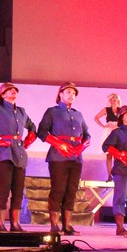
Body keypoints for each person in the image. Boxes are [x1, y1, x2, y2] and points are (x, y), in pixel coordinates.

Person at [0, 82, 37, 232]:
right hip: (4, 153)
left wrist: (28, 141)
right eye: (9, 90)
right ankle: (1, 224)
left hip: (19, 153)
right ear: (2, 95)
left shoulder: (22, 111)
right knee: (3, 190)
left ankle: (15, 224)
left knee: (18, 190)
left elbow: (32, 127)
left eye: (15, 90)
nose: (13, 91)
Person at [37, 82, 91, 235]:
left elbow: (87, 134)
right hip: (58, 157)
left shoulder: (78, 114)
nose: (71, 95)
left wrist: (82, 147)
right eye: (68, 92)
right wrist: (58, 144)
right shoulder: (52, 112)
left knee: (71, 191)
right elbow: (42, 132)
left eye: (74, 93)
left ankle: (67, 225)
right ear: (60, 94)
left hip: (76, 158)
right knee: (58, 190)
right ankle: (54, 225)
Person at [102, 105, 127, 236]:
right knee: (120, 198)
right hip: (121, 169)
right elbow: (106, 146)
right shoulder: (117, 132)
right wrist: (119, 155)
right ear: (121, 117)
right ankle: (120, 227)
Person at [94, 93, 122, 181]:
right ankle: (109, 175)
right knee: (109, 154)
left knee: (117, 154)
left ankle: (117, 175)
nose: (114, 99)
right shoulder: (107, 109)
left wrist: (119, 125)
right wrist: (103, 126)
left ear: (118, 100)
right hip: (109, 131)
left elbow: (124, 120)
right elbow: (96, 118)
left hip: (118, 131)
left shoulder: (121, 110)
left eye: (116, 98)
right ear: (110, 100)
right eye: (113, 98)